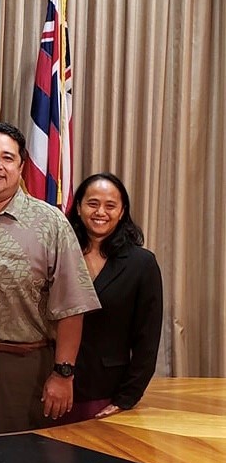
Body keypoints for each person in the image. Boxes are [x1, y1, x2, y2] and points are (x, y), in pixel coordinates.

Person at [0, 122, 101, 436]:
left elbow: (73, 304)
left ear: (21, 166)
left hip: (21, 369)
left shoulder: (49, 222)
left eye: (7, 157)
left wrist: (63, 373)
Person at [64, 173, 163, 421]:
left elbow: (147, 340)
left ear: (122, 212)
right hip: (53, 385)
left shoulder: (142, 264)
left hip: (107, 391)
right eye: (92, 203)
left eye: (110, 205)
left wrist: (127, 397)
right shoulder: (60, 253)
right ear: (78, 207)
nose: (101, 212)